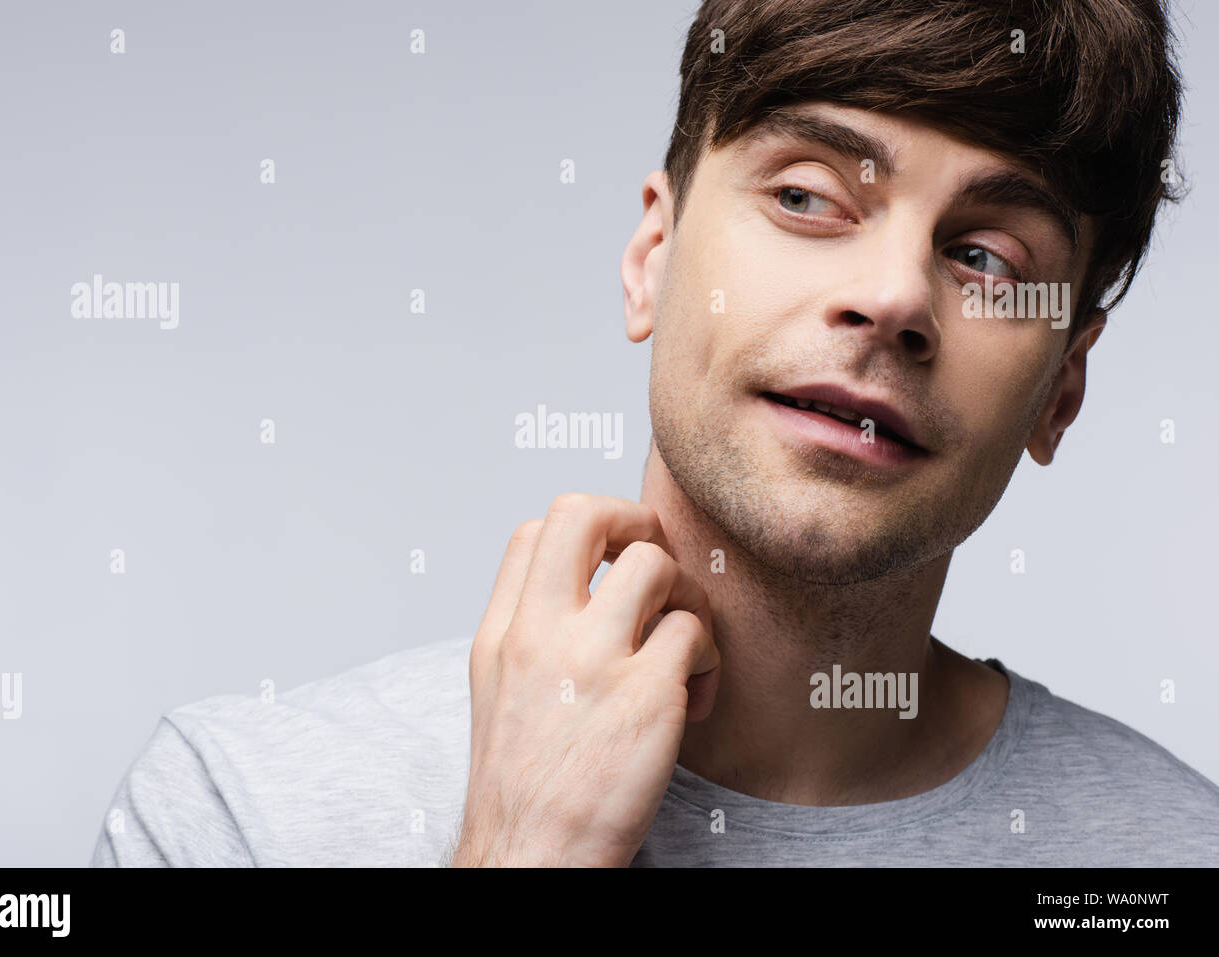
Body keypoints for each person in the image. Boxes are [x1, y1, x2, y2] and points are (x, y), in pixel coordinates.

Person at [92, 0, 1219, 867]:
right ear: (650, 261)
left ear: (1062, 387)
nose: (891, 299)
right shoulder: (243, 811)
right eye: (808, 196)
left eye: (987, 259)